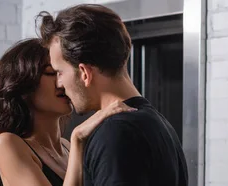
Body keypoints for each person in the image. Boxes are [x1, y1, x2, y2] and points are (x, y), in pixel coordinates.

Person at [38, 4, 189, 186]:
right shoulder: (160, 124)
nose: (59, 84)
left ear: (84, 73)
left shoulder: (114, 134)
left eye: (60, 72)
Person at [0, 38, 136, 186]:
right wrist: (78, 138)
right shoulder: (8, 143)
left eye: (62, 73)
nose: (61, 83)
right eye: (51, 73)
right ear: (23, 84)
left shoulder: (67, 147)